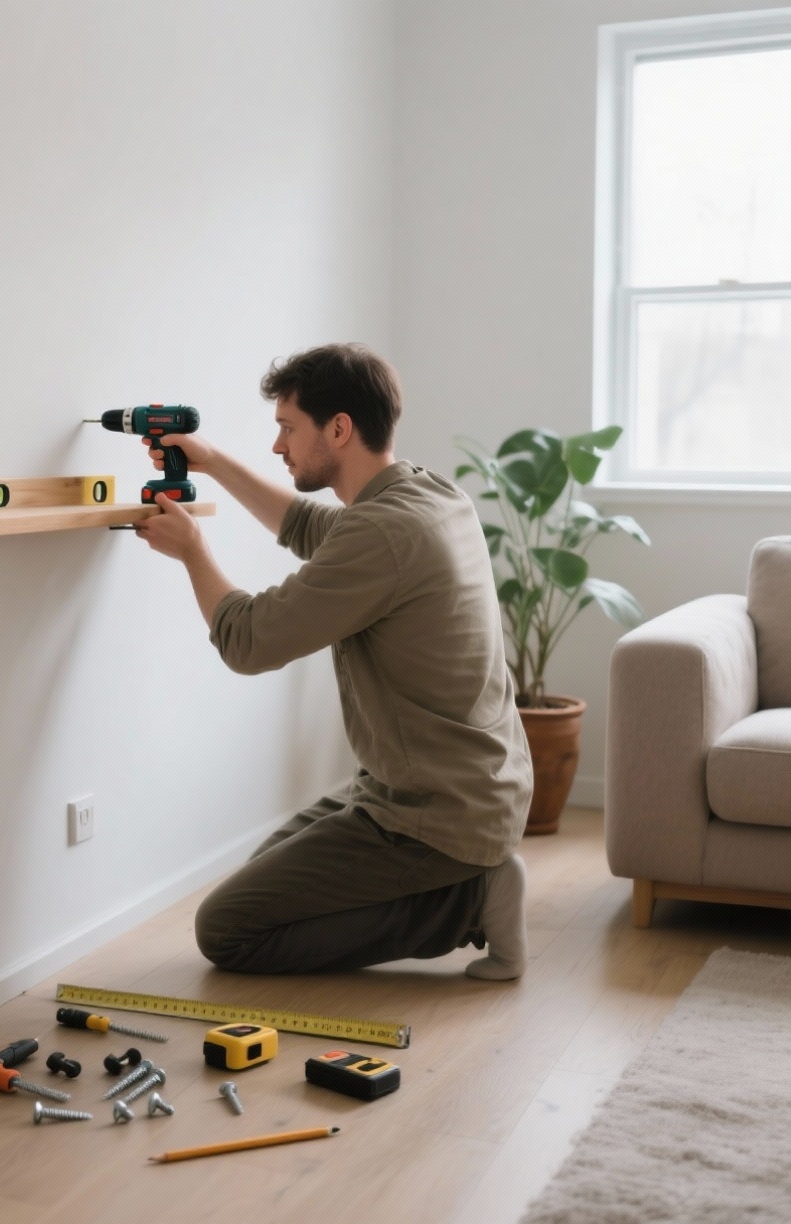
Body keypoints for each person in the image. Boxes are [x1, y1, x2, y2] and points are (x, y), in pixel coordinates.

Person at [132, 342, 534, 981]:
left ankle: (468, 902)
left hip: (435, 812)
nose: (278, 446)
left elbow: (249, 641)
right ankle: (467, 878)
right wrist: (212, 463)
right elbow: (310, 528)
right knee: (267, 880)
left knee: (228, 930)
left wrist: (192, 553)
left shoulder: (380, 533)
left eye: (287, 429)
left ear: (339, 428)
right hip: (462, 788)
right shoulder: (427, 496)